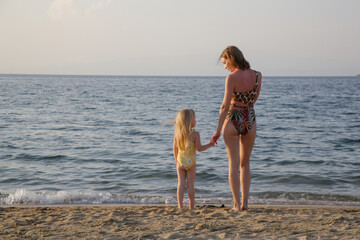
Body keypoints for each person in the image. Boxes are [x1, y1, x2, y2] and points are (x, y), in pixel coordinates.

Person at [211, 46, 262, 211]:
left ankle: (236, 205)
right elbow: (254, 99)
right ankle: (245, 204)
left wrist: (218, 130)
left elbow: (225, 106)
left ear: (231, 59)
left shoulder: (231, 78)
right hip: (250, 119)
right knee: (245, 164)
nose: (225, 67)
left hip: (233, 119)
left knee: (233, 164)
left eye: (225, 63)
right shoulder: (257, 76)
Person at [173, 108, 215, 210]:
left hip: (180, 162)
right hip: (191, 163)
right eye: (194, 118)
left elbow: (175, 148)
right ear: (190, 121)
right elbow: (199, 148)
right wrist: (210, 145)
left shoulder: (178, 134)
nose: (196, 120)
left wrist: (176, 161)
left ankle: (180, 206)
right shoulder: (195, 134)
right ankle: (191, 207)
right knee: (190, 184)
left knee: (181, 184)